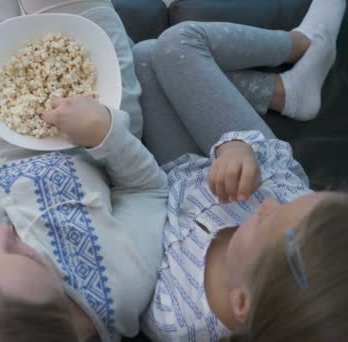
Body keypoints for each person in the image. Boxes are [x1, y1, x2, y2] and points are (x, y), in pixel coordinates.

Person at [0, 0, 169, 341]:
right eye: (31, 257)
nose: (1, 236)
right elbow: (148, 191)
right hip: (90, 104)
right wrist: (104, 133)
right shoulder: (120, 285)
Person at [130, 0, 348, 340]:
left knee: (145, 57)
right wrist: (237, 146)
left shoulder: (174, 315)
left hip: (168, 183)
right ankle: (303, 44)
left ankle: (286, 88)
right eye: (292, 204)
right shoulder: (282, 205)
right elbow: (279, 173)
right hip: (240, 155)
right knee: (177, 45)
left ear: (241, 303)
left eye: (266, 220)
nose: (268, 204)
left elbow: (135, 215)